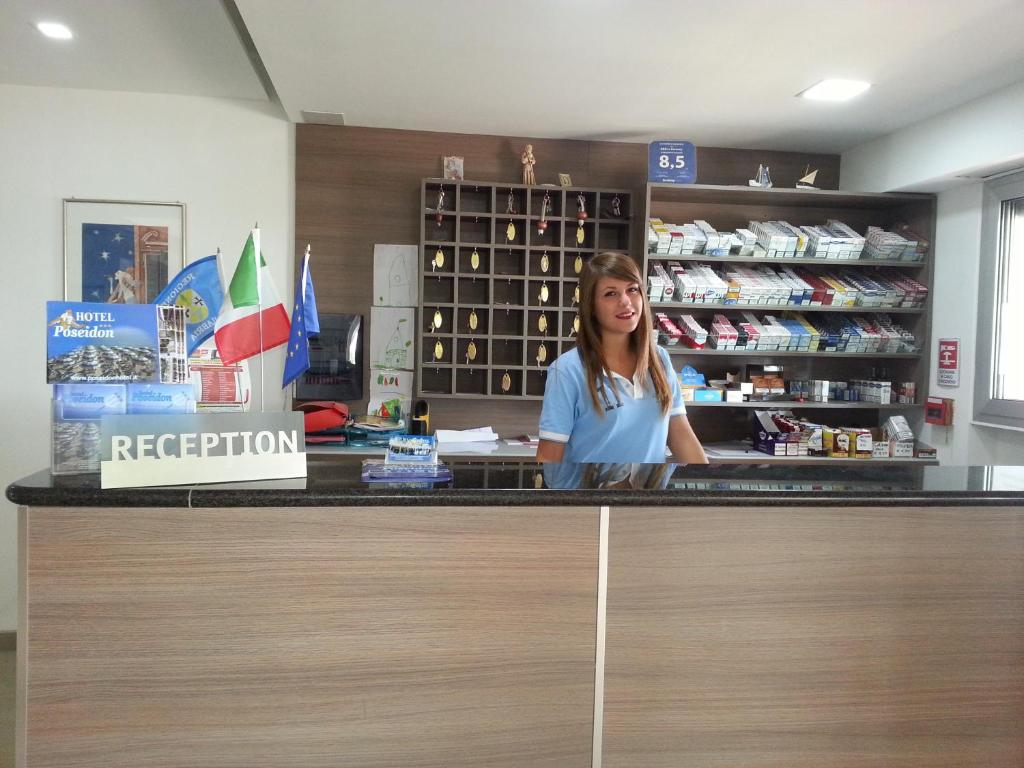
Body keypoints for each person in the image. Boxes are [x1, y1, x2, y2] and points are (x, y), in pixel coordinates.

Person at [536, 252, 708, 464]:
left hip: (650, 496)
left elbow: (682, 438)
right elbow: (548, 458)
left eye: (632, 290)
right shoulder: (567, 370)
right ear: (591, 305)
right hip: (589, 496)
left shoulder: (659, 360)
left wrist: (708, 491)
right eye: (610, 294)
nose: (625, 302)